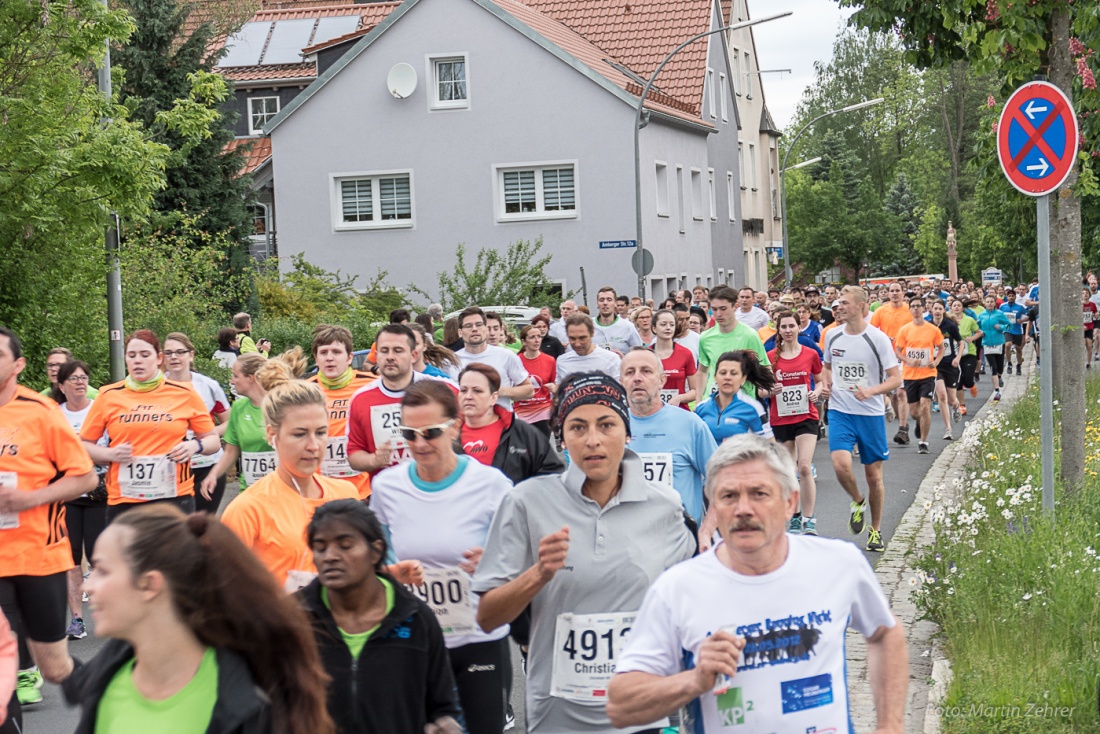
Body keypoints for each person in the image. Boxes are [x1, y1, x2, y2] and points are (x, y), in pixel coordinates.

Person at [607, 435, 908, 734]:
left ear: (790, 502)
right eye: (729, 496)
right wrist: (694, 681)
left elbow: (885, 632)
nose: (743, 509)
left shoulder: (839, 563)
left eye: (759, 494)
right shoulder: (678, 588)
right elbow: (621, 707)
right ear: (713, 506)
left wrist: (890, 725)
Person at [472, 372, 695, 733]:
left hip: (642, 710)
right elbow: (486, 618)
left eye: (606, 424)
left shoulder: (665, 505)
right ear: (561, 438)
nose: (593, 440)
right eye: (577, 427)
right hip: (559, 714)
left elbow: (692, 600)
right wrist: (538, 575)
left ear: (627, 431)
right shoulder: (526, 501)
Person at [67, 505, 335, 734]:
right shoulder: (103, 682)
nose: (86, 587)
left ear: (149, 585)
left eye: (102, 570)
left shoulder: (252, 701)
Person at [371, 380, 513, 734]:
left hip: (478, 638)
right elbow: (375, 563)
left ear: (455, 426)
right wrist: (392, 573)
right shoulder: (387, 487)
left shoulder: (492, 484)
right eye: (409, 433)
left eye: (430, 432)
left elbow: (521, 559)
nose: (419, 444)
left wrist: (495, 563)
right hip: (413, 639)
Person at [300, 500, 463, 734]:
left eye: (345, 546)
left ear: (375, 551)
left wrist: (444, 725)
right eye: (320, 547)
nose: (330, 556)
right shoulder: (294, 618)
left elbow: (442, 706)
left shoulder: (416, 618)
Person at [0, 327, 97, 707]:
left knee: (54, 667)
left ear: (18, 365)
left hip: (38, 557)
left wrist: (29, 498)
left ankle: (114, 699)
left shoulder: (40, 412)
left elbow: (85, 476)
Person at [81, 330, 219, 523]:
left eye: (145, 355)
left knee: (174, 554)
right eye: (132, 355)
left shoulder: (184, 393)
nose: (138, 361)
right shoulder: (108, 395)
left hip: (174, 497)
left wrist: (195, 446)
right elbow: (84, 445)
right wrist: (109, 455)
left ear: (159, 358)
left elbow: (213, 440)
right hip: (124, 499)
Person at [822, 286, 901, 552]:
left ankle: (876, 530)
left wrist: (871, 390)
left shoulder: (877, 338)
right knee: (841, 465)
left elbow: (895, 378)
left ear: (860, 306)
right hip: (840, 410)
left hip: (870, 413)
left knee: (873, 476)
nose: (839, 307)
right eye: (837, 303)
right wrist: (826, 383)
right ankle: (858, 501)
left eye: (844, 303)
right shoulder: (832, 336)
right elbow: (826, 367)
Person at [622, 349, 716, 538]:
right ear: (621, 381)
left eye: (646, 371)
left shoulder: (691, 424)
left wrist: (709, 527)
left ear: (662, 380)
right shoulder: (610, 427)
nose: (637, 378)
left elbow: (722, 480)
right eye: (630, 372)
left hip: (680, 542)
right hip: (628, 544)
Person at [347, 325, 458, 478]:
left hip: (440, 487)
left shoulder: (444, 389)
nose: (390, 357)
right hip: (389, 494)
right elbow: (354, 454)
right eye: (384, 351)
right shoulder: (361, 399)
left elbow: (471, 432)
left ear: (413, 355)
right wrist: (374, 460)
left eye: (398, 351)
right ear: (377, 356)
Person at [51, 360, 109, 641]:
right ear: (61, 386)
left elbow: (110, 448)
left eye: (83, 377)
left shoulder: (100, 410)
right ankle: (76, 620)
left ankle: (107, 614)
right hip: (68, 496)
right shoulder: (54, 415)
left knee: (101, 559)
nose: (79, 382)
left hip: (99, 493)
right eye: (72, 379)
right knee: (71, 561)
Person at [768, 311, 824, 535]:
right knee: (789, 471)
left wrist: (816, 393)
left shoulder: (810, 354)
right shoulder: (771, 356)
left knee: (803, 467)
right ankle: (795, 516)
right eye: (784, 327)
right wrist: (770, 389)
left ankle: (809, 519)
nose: (788, 330)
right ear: (778, 330)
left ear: (798, 328)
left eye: (792, 326)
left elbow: (820, 382)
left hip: (806, 416)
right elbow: (761, 389)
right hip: (781, 417)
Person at [162, 332, 231, 515]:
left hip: (206, 465)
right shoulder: (155, 387)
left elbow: (229, 421)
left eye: (180, 352)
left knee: (202, 529)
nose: (174, 357)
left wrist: (207, 435)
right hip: (170, 468)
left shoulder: (208, 385)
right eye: (168, 353)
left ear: (191, 355)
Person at [458, 364, 564, 481]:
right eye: (463, 390)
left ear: (493, 398)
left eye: (477, 391)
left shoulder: (522, 433)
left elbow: (552, 475)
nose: (468, 396)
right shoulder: (448, 433)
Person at [307, 325, 376, 499]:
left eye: (336, 352)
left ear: (349, 357)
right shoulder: (305, 390)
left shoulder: (370, 385)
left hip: (364, 491)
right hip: (321, 490)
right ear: (316, 358)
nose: (329, 358)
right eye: (323, 353)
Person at [200, 353, 278, 501]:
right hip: (250, 493)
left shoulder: (282, 404)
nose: (232, 381)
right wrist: (213, 475)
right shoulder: (239, 407)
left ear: (251, 378)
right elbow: (231, 451)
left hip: (280, 493)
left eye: (236, 376)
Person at [697, 286, 769, 399]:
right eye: (714, 309)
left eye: (723, 308)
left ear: (735, 306)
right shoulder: (705, 337)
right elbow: (702, 371)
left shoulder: (749, 335)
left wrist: (762, 391)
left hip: (742, 404)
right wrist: (698, 401)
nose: (718, 314)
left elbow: (765, 367)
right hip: (713, 402)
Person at [455, 308, 533, 411]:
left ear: (484, 328)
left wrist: (500, 391)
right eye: (468, 326)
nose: (474, 329)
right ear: (460, 332)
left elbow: (529, 390)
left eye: (479, 325)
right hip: (467, 424)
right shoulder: (451, 361)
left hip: (503, 423)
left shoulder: (505, 355)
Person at [894, 298, 944, 454]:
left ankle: (923, 442)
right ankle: (919, 422)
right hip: (910, 375)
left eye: (918, 306)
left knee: (925, 406)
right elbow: (898, 351)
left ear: (924, 308)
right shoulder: (904, 330)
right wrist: (908, 360)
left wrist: (936, 362)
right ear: (910, 310)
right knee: (915, 412)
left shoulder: (933, 329)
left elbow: (941, 348)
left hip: (928, 374)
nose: (915, 309)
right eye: (913, 307)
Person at [694, 351, 774, 444]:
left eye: (733, 373)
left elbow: (770, 445)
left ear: (743, 379)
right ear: (715, 377)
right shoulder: (701, 408)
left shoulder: (753, 408)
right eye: (723, 373)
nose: (727, 377)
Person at [870, 283, 913, 442]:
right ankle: (902, 422)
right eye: (892, 291)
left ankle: (902, 429)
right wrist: (883, 338)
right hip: (885, 356)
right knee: (892, 395)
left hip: (903, 356)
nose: (895, 294)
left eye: (897, 291)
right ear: (888, 294)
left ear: (903, 293)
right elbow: (872, 332)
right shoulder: (881, 311)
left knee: (901, 392)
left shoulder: (909, 310)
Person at [650, 309, 698, 409]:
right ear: (654, 328)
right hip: (652, 411)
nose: (668, 328)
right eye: (663, 324)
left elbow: (695, 390)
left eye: (672, 325)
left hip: (679, 410)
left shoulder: (685, 353)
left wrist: (679, 398)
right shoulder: (646, 355)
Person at [514, 325, 558, 435]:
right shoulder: (516, 360)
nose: (537, 340)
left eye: (539, 336)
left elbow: (554, 384)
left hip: (543, 410)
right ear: (524, 341)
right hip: (521, 411)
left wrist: (554, 388)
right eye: (532, 337)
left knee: (542, 448)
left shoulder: (549, 360)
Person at [929, 301, 963, 437]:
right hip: (936, 366)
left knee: (950, 399)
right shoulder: (928, 326)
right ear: (931, 310)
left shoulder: (950, 325)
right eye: (935, 308)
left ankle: (956, 406)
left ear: (944, 310)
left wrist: (958, 358)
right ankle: (948, 429)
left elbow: (960, 344)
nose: (937, 311)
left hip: (950, 364)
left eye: (940, 309)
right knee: (941, 395)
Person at [555, 313, 622, 381]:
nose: (577, 344)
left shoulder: (611, 359)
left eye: (582, 338)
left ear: (592, 333)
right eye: (572, 338)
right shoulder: (562, 361)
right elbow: (560, 389)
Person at [976, 294, 1011, 401]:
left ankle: (999, 377)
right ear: (985, 303)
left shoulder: (999, 314)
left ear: (995, 303)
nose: (989, 304)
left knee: (1000, 367)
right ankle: (997, 391)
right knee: (993, 367)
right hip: (987, 343)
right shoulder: (981, 315)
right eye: (988, 302)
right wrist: (980, 332)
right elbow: (977, 327)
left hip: (999, 342)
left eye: (991, 302)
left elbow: (1009, 325)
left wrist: (1000, 327)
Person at [951, 298, 982, 416]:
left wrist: (972, 338)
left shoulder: (969, 320)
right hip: (954, 354)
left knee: (967, 380)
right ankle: (962, 405)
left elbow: (979, 332)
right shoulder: (948, 320)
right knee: (958, 381)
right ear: (951, 308)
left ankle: (971, 385)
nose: (957, 307)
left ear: (963, 308)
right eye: (954, 305)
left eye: (959, 305)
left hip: (969, 352)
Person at [592, 287, 643, 354]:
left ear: (615, 303)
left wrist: (624, 359)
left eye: (609, 300)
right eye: (601, 300)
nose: (605, 303)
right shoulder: (588, 325)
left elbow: (639, 354)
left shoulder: (628, 326)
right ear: (597, 303)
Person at [999, 289, 1028, 375]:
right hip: (1007, 329)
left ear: (1015, 297)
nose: (1011, 298)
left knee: (1018, 348)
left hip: (1018, 330)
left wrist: (1022, 320)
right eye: (1009, 296)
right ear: (1007, 297)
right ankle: (1009, 363)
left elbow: (1030, 315)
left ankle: (1019, 365)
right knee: (1008, 345)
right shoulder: (1002, 306)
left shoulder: (1020, 306)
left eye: (1012, 296)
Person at [1083, 287, 1097, 370]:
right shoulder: (1080, 305)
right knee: (1082, 344)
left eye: (1086, 293)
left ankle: (1088, 363)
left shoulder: (1092, 304)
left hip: (1089, 327)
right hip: (1081, 329)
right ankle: (1081, 362)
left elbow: (1095, 312)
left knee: (1089, 346)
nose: (1085, 295)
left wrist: (1096, 314)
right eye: (1083, 293)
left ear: (1089, 294)